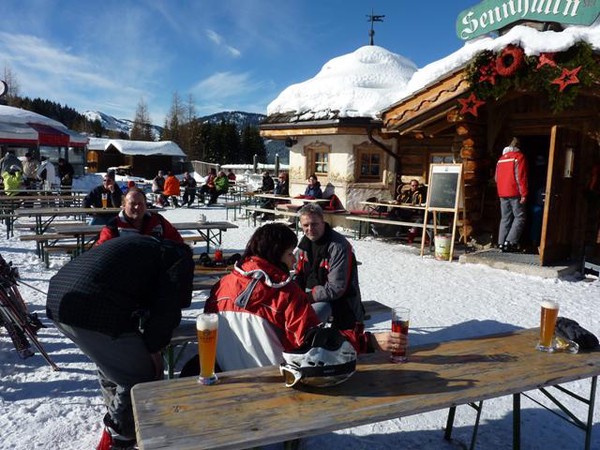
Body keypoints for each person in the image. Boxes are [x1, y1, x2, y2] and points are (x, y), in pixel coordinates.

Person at [46, 235, 194, 450]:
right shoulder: (179, 258)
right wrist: (153, 348)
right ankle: (121, 434)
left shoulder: (145, 246)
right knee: (140, 375)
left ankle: (121, 417)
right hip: (91, 306)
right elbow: (167, 309)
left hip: (59, 298)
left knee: (113, 363)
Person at [203, 223, 402, 371]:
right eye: (290, 254)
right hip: (275, 381)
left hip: (228, 378)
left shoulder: (221, 286)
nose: (293, 261)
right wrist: (368, 341)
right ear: (276, 254)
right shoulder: (285, 294)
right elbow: (314, 345)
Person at [295, 204, 364, 329]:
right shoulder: (305, 243)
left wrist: (307, 297)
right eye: (306, 225)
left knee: (306, 323)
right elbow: (298, 273)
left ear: (323, 222)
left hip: (339, 302)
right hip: (309, 294)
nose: (310, 229)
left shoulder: (338, 246)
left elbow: (336, 288)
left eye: (314, 224)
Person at [96, 188, 183, 245]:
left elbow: (178, 242)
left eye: (140, 203)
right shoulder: (113, 227)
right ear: (123, 206)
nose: (137, 207)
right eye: (132, 204)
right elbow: (99, 254)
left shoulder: (158, 221)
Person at [495, 137, 528, 252]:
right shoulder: (518, 157)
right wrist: (524, 193)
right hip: (514, 192)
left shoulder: (500, 159)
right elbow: (520, 176)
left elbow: (496, 178)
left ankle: (501, 242)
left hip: (502, 193)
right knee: (520, 217)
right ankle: (510, 242)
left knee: (505, 218)